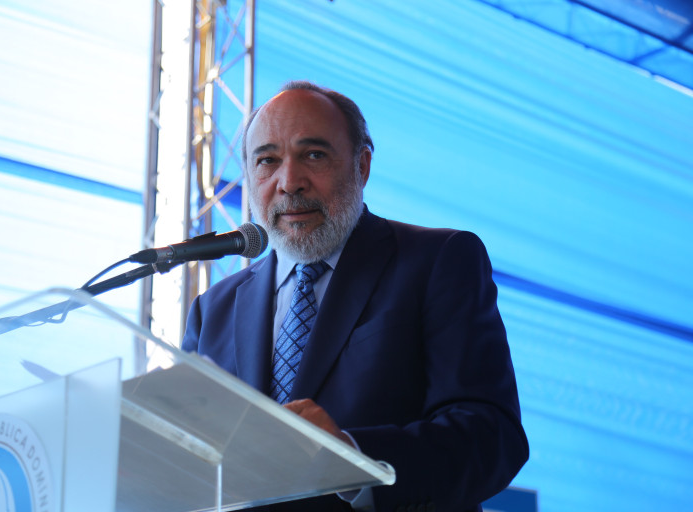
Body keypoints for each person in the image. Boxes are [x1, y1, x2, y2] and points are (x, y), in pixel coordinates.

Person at [182, 81, 529, 512]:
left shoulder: (437, 261)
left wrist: (351, 458)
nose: (289, 182)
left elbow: (491, 435)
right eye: (267, 161)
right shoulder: (213, 310)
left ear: (361, 166)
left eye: (314, 155)